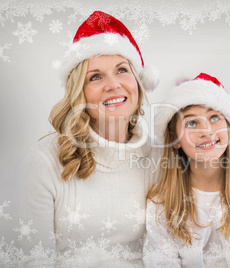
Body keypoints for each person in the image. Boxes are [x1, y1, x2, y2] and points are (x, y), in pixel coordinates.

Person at [19, 11, 160, 265]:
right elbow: (34, 260)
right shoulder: (45, 160)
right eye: (95, 76)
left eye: (121, 70)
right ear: (79, 93)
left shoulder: (158, 158)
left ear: (139, 82)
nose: (113, 84)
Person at [145, 73, 230, 267]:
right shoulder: (161, 201)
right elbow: (161, 261)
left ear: (229, 129)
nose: (206, 131)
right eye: (191, 123)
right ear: (174, 140)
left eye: (214, 117)